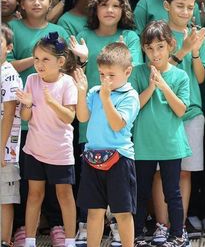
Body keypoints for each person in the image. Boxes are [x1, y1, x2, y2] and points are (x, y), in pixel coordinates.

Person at [72, 43, 139, 247]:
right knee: (94, 211)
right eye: (102, 74)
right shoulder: (95, 91)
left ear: (127, 72)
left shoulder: (130, 96)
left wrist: (107, 99)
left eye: (111, 75)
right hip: (93, 156)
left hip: (120, 159)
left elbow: (118, 124)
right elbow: (82, 117)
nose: (105, 80)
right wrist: (81, 92)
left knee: (122, 212)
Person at [130, 21, 190, 247]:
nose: (155, 53)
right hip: (143, 145)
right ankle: (135, 234)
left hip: (170, 144)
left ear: (171, 46)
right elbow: (134, 106)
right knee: (140, 192)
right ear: (143, 48)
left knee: (172, 192)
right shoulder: (137, 73)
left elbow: (181, 110)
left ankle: (177, 234)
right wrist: (151, 87)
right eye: (150, 48)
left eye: (160, 47)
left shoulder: (180, 76)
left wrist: (164, 86)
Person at [17, 34, 78, 247]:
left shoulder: (68, 82)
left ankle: (70, 241)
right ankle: (30, 241)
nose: (39, 64)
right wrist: (26, 104)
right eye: (36, 59)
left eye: (45, 59)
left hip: (60, 151)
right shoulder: (31, 80)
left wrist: (51, 102)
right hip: (34, 150)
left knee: (64, 195)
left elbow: (70, 117)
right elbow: (26, 117)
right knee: (34, 195)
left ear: (60, 62)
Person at [160, 0, 205, 231]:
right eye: (180, 6)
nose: (185, 12)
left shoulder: (197, 32)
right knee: (161, 173)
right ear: (167, 6)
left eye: (190, 7)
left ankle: (179, 223)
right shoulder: (158, 33)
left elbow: (200, 77)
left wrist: (197, 52)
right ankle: (162, 222)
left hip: (192, 111)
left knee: (185, 172)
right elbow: (159, 71)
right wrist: (184, 49)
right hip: (163, 111)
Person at [9, 0, 72, 81]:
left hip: (52, 95)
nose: (36, 3)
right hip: (20, 94)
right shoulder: (11, 28)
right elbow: (6, 66)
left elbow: (68, 66)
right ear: (22, 4)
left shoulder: (59, 31)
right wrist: (39, 58)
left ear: (50, 2)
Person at [0, 25, 22, 247]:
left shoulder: (8, 74)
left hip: (5, 148)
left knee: (4, 199)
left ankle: (5, 240)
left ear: (9, 47)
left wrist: (0, 147)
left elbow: (8, 114)